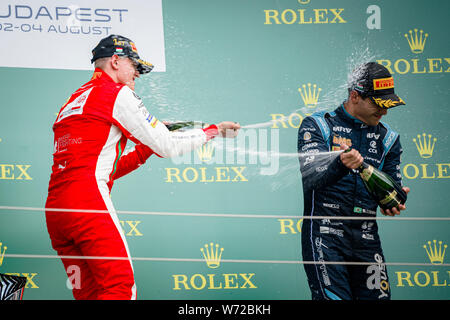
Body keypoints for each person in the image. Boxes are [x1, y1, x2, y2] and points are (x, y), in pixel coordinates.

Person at [44, 34, 240, 300]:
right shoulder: (116, 93)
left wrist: (143, 151)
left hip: (57, 212)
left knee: (89, 294)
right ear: (115, 61)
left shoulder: (73, 99)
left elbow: (99, 166)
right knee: (119, 288)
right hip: (88, 205)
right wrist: (212, 131)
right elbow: (168, 146)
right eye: (134, 65)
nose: (137, 74)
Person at [298, 62, 410, 300]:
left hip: (367, 238)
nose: (384, 111)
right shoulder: (318, 125)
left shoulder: (389, 139)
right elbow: (311, 178)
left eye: (387, 105)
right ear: (355, 95)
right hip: (326, 235)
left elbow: (392, 189)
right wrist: (340, 163)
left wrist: (394, 199)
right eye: (378, 104)